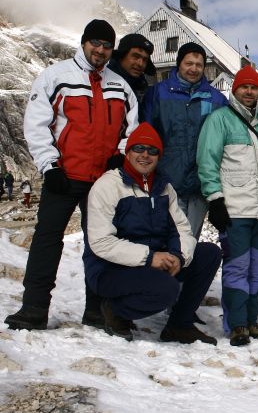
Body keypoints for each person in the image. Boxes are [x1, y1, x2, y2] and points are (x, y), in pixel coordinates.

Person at [4, 18, 138, 331]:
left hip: (101, 182)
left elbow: (131, 129)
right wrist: (49, 165)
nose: (101, 50)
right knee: (47, 241)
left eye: (107, 46)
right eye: (96, 43)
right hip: (64, 176)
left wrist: (119, 156)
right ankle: (34, 308)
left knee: (101, 244)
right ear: (84, 42)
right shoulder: (56, 77)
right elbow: (36, 124)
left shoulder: (120, 86)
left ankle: (96, 311)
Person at [84, 122, 221, 344]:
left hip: (152, 263)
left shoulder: (164, 188)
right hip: (111, 269)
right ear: (127, 152)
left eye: (153, 151)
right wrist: (149, 257)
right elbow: (101, 242)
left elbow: (182, 229)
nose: (145, 155)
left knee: (208, 254)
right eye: (139, 148)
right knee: (165, 290)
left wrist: (178, 256)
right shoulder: (108, 186)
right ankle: (115, 310)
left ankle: (179, 324)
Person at [197, 65, 258, 346]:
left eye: (253, 88)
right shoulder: (219, 120)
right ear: (235, 90)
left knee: (257, 269)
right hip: (236, 210)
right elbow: (207, 162)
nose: (249, 92)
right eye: (244, 87)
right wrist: (215, 200)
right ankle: (236, 324)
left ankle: (252, 320)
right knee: (237, 268)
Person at [141, 42, 226, 238]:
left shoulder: (217, 99)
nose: (194, 68)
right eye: (189, 63)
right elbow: (146, 134)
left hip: (199, 184)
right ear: (179, 64)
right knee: (166, 239)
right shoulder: (157, 93)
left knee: (190, 240)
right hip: (166, 182)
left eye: (199, 64)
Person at [108, 33, 156, 104]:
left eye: (145, 60)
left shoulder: (143, 88)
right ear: (121, 56)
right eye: (136, 56)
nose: (140, 64)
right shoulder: (102, 84)